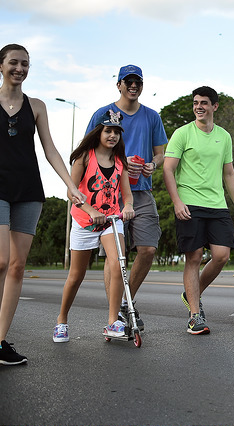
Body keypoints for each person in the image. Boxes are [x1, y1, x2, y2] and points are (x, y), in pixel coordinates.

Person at [0, 44, 85, 369]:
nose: (20, 68)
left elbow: (50, 149)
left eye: (25, 64)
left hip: (28, 190)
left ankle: (0, 342)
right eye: (14, 62)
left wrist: (71, 185)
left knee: (17, 266)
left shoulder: (36, 106)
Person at [85, 64, 168, 331]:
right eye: (128, 81)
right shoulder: (103, 114)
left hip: (141, 191)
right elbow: (87, 150)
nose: (133, 86)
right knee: (115, 256)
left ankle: (124, 303)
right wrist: (120, 161)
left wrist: (152, 165)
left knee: (148, 249)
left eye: (137, 82)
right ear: (118, 84)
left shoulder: (151, 116)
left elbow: (160, 154)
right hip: (109, 192)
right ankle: (115, 317)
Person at [163, 86, 234, 335]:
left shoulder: (224, 136)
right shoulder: (182, 134)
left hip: (217, 204)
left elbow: (228, 172)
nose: (199, 107)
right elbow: (168, 170)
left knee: (221, 256)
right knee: (194, 256)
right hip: (189, 203)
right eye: (196, 103)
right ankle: (195, 315)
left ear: (214, 106)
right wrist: (177, 202)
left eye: (204, 103)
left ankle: (191, 292)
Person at [53, 110, 135, 342]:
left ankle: (112, 321)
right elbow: (72, 191)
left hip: (111, 220)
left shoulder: (121, 162)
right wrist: (90, 211)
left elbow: (127, 196)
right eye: (108, 130)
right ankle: (61, 320)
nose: (112, 136)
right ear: (98, 132)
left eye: (116, 132)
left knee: (118, 265)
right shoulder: (84, 158)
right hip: (84, 220)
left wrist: (127, 207)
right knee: (76, 275)